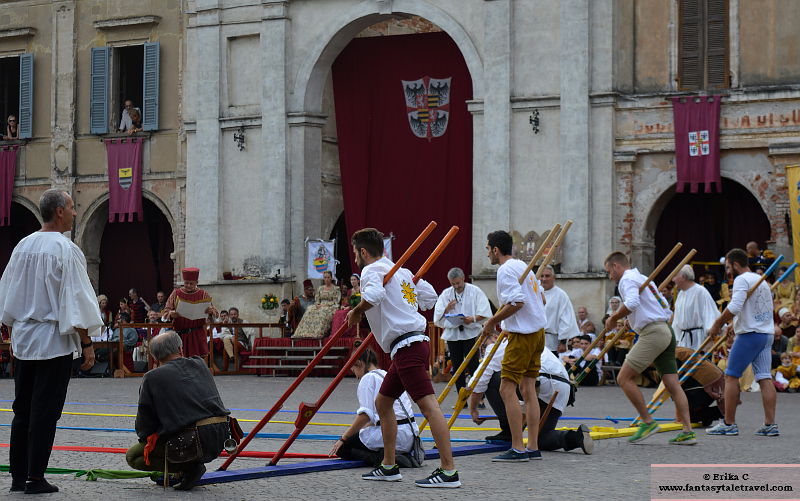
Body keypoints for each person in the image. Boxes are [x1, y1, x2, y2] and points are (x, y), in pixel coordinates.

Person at [0, 189, 102, 494]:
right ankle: (35, 476)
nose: (74, 212)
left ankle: (19, 475)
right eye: (71, 207)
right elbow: (76, 299)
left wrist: (10, 327)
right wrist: (86, 342)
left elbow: (7, 291)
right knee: (46, 411)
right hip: (53, 339)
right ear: (59, 211)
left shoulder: (23, 245)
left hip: (24, 338)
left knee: (23, 409)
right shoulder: (64, 248)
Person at [345, 228, 460, 488]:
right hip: (408, 345)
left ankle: (449, 471)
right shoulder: (403, 272)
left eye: (355, 252)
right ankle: (388, 465)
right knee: (383, 403)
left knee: (429, 407)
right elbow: (429, 298)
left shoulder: (372, 271)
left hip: (407, 345)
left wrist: (356, 311)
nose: (355, 257)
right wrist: (406, 288)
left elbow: (373, 296)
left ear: (363, 252)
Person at [603, 251, 696, 445]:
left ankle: (647, 422)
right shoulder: (643, 278)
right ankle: (687, 431)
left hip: (653, 333)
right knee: (672, 384)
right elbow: (664, 307)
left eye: (608, 272)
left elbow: (632, 302)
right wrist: (634, 319)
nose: (609, 276)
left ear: (615, 266)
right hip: (666, 331)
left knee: (624, 377)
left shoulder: (626, 280)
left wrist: (614, 318)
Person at [125, 331, 230, 491]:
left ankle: (188, 468)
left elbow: (145, 419)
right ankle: (188, 467)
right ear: (180, 349)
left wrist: (146, 441)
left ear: (154, 356)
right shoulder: (200, 363)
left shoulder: (152, 377)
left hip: (192, 440)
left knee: (134, 456)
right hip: (221, 434)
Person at [480, 230, 546, 462]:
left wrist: (492, 321)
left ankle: (518, 447)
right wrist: (508, 321)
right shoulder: (521, 266)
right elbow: (541, 299)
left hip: (523, 335)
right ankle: (533, 446)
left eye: (488, 249)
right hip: (538, 333)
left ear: (496, 250)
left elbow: (517, 302)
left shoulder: (506, 269)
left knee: (506, 389)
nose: (487, 253)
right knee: (528, 389)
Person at [468, 333, 593, 453]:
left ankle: (509, 430)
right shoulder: (532, 338)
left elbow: (479, 380)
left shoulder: (499, 344)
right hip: (563, 388)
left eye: (484, 346)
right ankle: (577, 437)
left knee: (495, 380)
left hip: (538, 380)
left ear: (496, 337)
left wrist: (473, 409)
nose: (484, 351)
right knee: (541, 438)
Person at [705, 248, 779, 437]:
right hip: (765, 333)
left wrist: (717, 323)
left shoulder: (741, 280)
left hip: (750, 335)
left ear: (736, 264)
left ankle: (729, 423)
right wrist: (734, 324)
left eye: (728, 267)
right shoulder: (760, 281)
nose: (728, 272)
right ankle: (770, 424)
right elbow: (751, 308)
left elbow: (736, 306)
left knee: (731, 376)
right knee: (764, 377)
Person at [329, 347, 419, 467]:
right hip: (410, 435)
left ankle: (383, 458)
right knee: (360, 435)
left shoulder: (367, 379)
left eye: (353, 368)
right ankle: (393, 454)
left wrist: (343, 438)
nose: (353, 373)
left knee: (342, 448)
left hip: (393, 434)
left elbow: (365, 416)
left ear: (359, 363)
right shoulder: (386, 374)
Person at [433, 267, 491, 392]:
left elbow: (485, 312)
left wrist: (472, 319)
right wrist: (447, 309)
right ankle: (461, 395)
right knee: (457, 365)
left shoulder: (475, 291)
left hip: (470, 332)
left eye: (458, 283)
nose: (456, 286)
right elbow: (438, 315)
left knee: (473, 364)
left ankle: (478, 395)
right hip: (453, 334)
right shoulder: (446, 293)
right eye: (453, 284)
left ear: (463, 278)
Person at [164, 268, 218, 359]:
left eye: (191, 283)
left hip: (197, 334)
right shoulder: (176, 293)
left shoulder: (203, 294)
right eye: (186, 283)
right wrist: (171, 313)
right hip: (180, 334)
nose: (188, 285)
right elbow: (165, 312)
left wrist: (211, 312)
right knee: (180, 361)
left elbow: (216, 313)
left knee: (197, 362)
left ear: (196, 282)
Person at [671, 265, 719, 352]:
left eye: (675, 276)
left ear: (683, 277)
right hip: (683, 342)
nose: (673, 280)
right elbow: (677, 320)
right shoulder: (681, 294)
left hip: (699, 340)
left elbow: (710, 314)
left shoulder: (701, 291)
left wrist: (708, 339)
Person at [672, 347, 725, 426]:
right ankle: (711, 413)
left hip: (705, 387)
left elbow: (676, 387)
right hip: (718, 383)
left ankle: (717, 412)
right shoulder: (681, 350)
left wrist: (679, 418)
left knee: (688, 416)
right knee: (690, 415)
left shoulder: (672, 358)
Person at [539, 265, 580, 354]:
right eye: (541, 276)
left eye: (547, 276)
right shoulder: (535, 292)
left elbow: (565, 319)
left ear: (554, 278)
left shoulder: (561, 295)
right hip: (534, 340)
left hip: (551, 342)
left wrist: (563, 341)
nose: (544, 279)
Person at [293, 271, 341, 339]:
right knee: (310, 309)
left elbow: (336, 301)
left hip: (331, 306)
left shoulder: (336, 289)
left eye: (328, 277)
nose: (326, 279)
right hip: (320, 305)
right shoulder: (320, 288)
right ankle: (303, 333)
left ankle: (317, 333)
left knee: (322, 312)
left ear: (331, 278)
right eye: (325, 277)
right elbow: (317, 299)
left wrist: (326, 305)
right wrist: (318, 304)